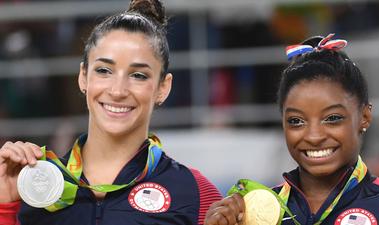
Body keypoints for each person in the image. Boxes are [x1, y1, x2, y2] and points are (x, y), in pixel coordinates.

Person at [0, 0, 222, 224]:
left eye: (139, 75)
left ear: (163, 88)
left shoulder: (196, 194)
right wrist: (5, 208)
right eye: (104, 70)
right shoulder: (32, 186)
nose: (117, 91)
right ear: (83, 77)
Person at [204, 34, 379, 225]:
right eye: (296, 121)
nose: (314, 136)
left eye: (332, 118)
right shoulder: (253, 213)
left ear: (364, 117)